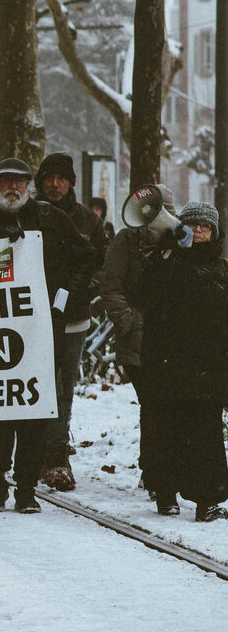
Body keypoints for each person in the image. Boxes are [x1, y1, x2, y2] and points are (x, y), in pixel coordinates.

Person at [0, 158, 96, 513]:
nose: (12, 188)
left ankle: (26, 488)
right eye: (4, 182)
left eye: (19, 182)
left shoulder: (51, 218)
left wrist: (63, 299)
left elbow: (86, 257)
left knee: (34, 413)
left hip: (42, 334)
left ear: (29, 187)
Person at [133, 202, 228, 522]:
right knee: (166, 429)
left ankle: (208, 500)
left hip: (208, 366)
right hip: (167, 362)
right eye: (192, 225)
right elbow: (143, 297)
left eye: (205, 226)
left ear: (215, 232)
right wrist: (168, 253)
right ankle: (165, 492)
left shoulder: (223, 270)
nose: (198, 230)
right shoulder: (164, 260)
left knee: (206, 434)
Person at [33, 152, 107, 491]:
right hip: (31, 317)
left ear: (71, 183)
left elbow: (102, 266)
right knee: (36, 383)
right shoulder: (29, 215)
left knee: (63, 387)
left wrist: (81, 293)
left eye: (61, 178)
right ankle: (32, 451)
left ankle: (56, 454)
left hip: (72, 319)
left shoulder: (89, 221)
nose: (54, 184)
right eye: (49, 177)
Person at [100, 185, 174, 505]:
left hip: (171, 340)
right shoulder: (126, 241)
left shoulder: (179, 241)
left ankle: (158, 470)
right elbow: (111, 284)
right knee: (153, 404)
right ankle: (155, 471)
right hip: (138, 340)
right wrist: (129, 321)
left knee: (162, 405)